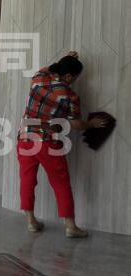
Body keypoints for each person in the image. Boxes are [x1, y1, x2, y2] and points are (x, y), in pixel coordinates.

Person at [17, 51, 107, 238]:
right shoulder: (69, 96)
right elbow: (76, 124)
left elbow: (47, 68)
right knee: (60, 183)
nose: (74, 81)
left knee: (27, 179)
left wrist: (64, 59)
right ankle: (70, 227)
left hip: (25, 138)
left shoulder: (38, 78)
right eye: (75, 77)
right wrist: (91, 124)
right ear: (68, 76)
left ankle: (31, 221)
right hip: (48, 142)